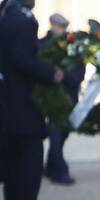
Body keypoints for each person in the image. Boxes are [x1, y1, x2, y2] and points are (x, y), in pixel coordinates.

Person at [0, 0, 64, 200]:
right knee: (30, 155)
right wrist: (51, 73)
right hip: (23, 100)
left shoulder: (6, 19)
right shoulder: (24, 22)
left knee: (13, 155)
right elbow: (23, 59)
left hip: (6, 99)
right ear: (31, 0)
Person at [41, 12, 82, 186]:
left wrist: (66, 76)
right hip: (52, 98)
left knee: (63, 134)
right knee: (56, 133)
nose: (62, 30)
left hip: (70, 95)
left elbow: (79, 69)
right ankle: (61, 171)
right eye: (59, 27)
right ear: (52, 25)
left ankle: (50, 167)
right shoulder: (43, 45)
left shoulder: (72, 45)